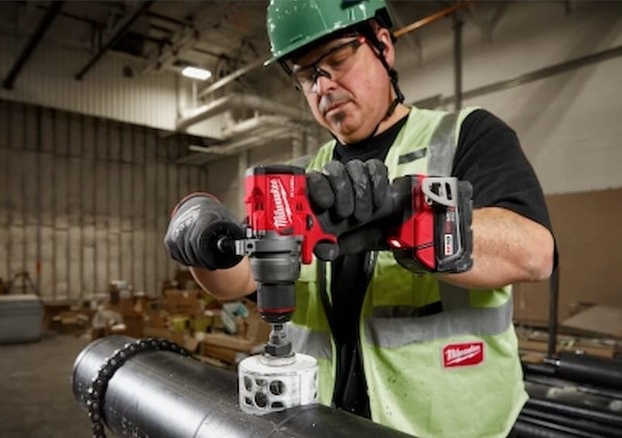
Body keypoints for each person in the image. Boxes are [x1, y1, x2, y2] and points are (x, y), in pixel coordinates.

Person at [164, 1, 556, 437]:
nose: (323, 86)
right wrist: (200, 234)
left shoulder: (465, 137)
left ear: (383, 46)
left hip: (452, 426)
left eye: (336, 60)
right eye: (307, 75)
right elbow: (238, 280)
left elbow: (534, 254)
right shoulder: (302, 176)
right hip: (328, 422)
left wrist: (401, 218)